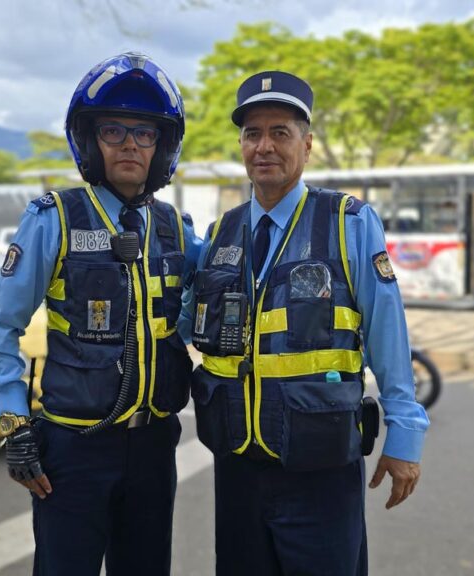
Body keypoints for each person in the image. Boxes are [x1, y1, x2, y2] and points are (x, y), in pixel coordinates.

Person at [181, 71, 430, 575]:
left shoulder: (348, 221)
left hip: (319, 463)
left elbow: (388, 332)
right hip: (237, 463)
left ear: (307, 144)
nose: (264, 146)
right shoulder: (220, 231)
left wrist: (405, 436)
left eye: (280, 132)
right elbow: (189, 325)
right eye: (253, 134)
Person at [0, 52, 201, 576]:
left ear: (161, 146)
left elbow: (214, 299)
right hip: (74, 448)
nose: (129, 143)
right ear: (90, 140)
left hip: (154, 445)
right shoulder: (53, 218)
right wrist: (14, 423)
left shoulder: (174, 228)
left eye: (144, 133)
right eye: (114, 129)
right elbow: (0, 325)